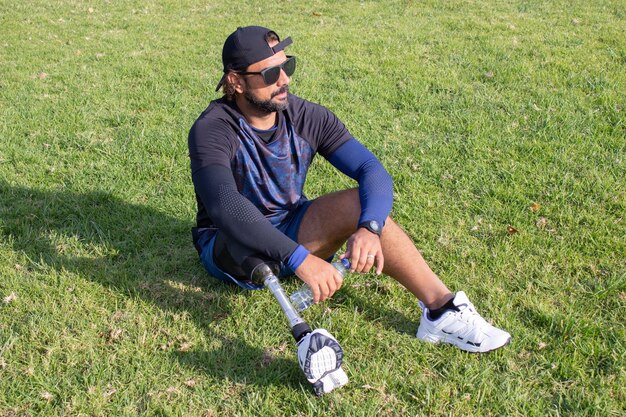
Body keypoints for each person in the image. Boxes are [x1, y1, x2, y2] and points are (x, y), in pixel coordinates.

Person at [188, 26, 511, 353]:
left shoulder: (307, 116)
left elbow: (371, 170)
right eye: (271, 72)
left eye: (288, 66)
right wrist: (298, 258)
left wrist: (370, 228)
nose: (284, 79)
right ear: (236, 81)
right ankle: (290, 261)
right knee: (236, 227)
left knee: (363, 204)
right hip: (231, 245)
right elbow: (224, 204)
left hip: (290, 225)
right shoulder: (212, 129)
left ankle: (440, 311)